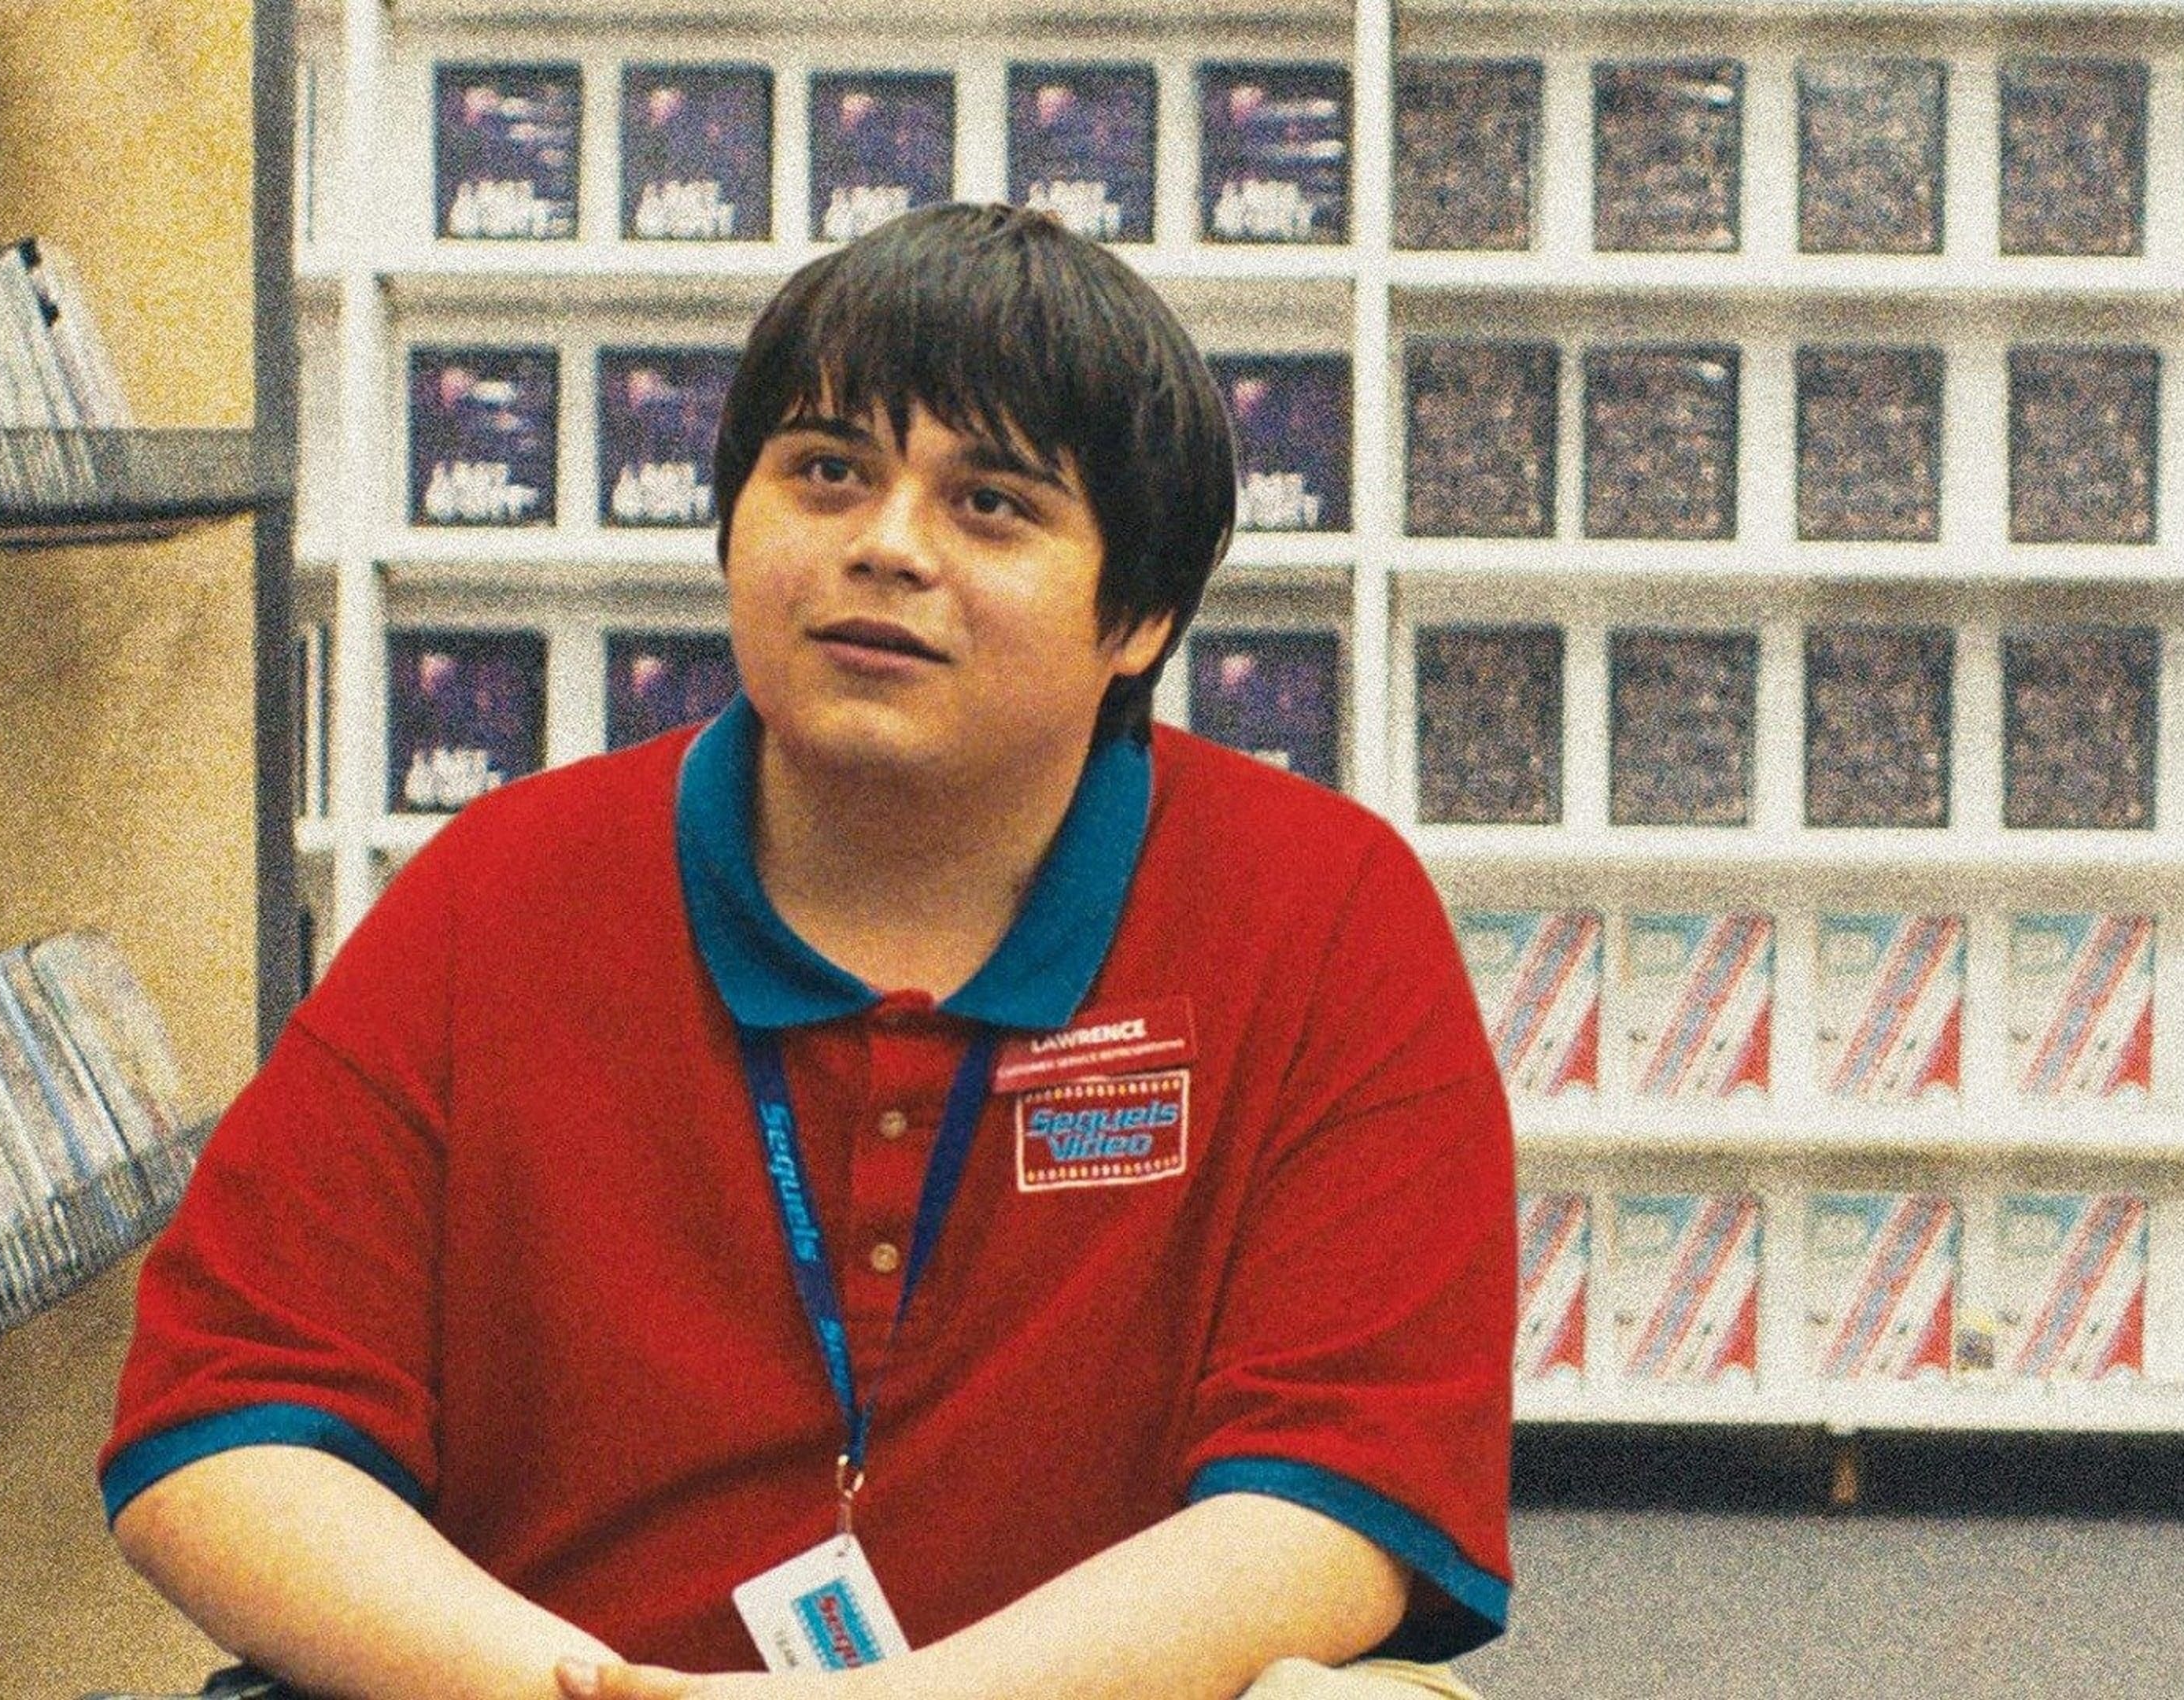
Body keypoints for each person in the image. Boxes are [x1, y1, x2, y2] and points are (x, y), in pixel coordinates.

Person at [104, 203, 1516, 1699]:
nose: (887, 547)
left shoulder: (1321, 910)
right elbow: (227, 1434)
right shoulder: (499, 893)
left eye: (993, 504)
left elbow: (1337, 1502)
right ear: (733, 524)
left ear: (1143, 616)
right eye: (828, 473)